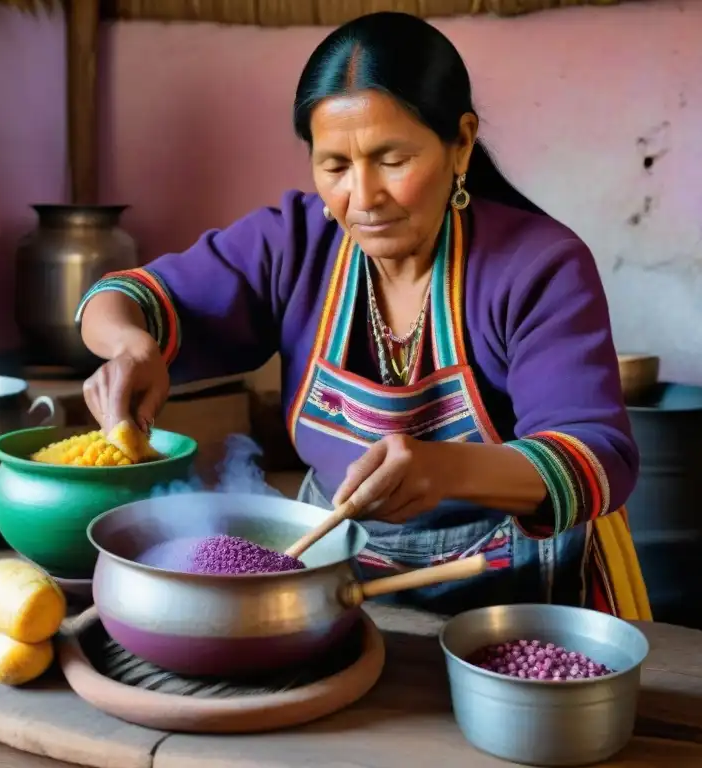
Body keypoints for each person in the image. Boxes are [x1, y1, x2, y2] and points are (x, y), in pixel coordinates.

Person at [76, 11, 651, 620]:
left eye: (393, 160)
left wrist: (446, 467)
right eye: (335, 166)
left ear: (460, 142)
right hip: (332, 579)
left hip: (515, 592)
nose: (363, 196)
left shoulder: (537, 265)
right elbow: (118, 299)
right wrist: (132, 348)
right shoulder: (292, 245)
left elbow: (598, 459)